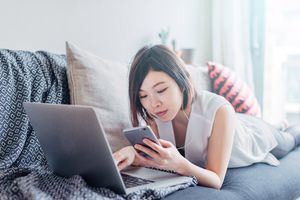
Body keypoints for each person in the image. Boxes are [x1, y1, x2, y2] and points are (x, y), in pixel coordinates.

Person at [113, 45, 300, 190]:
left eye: (161, 90)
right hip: (238, 122)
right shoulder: (155, 116)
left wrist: (180, 164)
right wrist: (133, 155)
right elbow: (157, 159)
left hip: (255, 136)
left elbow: (216, 180)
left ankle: (282, 126)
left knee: (289, 138)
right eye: (143, 96)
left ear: (181, 80)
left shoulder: (219, 110)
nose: (153, 104)